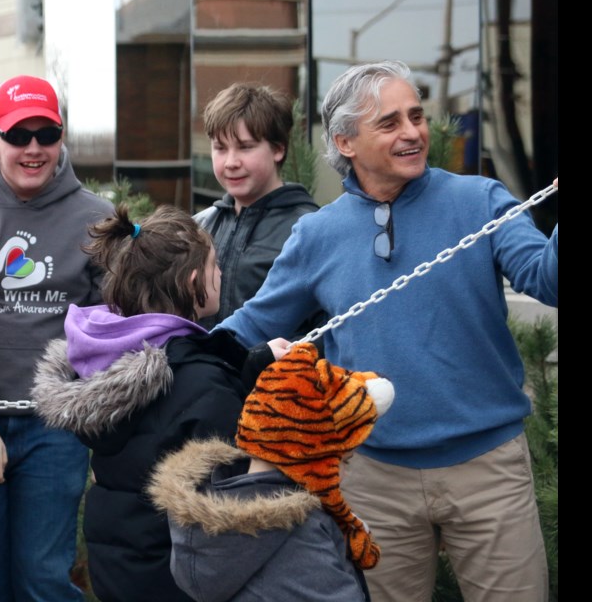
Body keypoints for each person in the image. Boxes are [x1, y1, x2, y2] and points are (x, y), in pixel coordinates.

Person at [215, 60, 558, 602]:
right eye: (390, 122)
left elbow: (547, 279)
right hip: (371, 478)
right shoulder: (317, 234)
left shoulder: (480, 199)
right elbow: (248, 325)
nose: (413, 133)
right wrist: (164, 346)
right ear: (345, 141)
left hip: (489, 470)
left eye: (417, 116)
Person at [0, 74, 114, 601]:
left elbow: (109, 328)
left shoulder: (97, 218)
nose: (33, 148)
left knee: (43, 579)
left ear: (61, 138)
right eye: (18, 135)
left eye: (46, 134)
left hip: (53, 426)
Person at [31, 204, 252, 601]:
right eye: (216, 264)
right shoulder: (203, 383)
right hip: (181, 579)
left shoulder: (105, 366)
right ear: (194, 280)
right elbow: (231, 501)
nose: (222, 273)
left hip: (121, 570)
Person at [148, 341, 396, 602]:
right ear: (309, 457)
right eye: (343, 461)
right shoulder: (301, 531)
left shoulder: (203, 520)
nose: (343, 473)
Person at [193, 83, 318, 330]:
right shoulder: (197, 226)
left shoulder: (310, 229)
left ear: (278, 149)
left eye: (245, 147)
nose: (230, 162)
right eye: (220, 148)